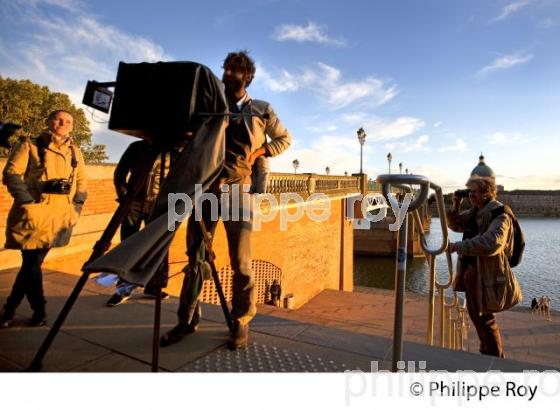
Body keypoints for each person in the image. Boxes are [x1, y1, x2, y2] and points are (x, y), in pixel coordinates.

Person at [160, 50, 291, 350]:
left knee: (241, 261)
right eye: (227, 69)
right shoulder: (210, 106)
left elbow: (285, 139)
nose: (229, 74)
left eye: (236, 70)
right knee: (195, 256)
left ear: (248, 76)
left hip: (238, 189)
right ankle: (187, 320)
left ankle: (241, 321)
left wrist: (259, 152)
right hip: (205, 187)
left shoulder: (261, 109)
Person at [0, 110, 87, 328]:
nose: (63, 123)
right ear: (49, 122)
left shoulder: (75, 151)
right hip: (34, 216)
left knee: (31, 265)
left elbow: (82, 182)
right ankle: (38, 310)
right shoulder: (29, 144)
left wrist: (76, 206)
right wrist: (28, 202)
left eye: (68, 121)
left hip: (59, 218)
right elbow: (11, 174)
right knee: (31, 264)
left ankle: (10, 311)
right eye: (59, 119)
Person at [447, 175, 514, 358]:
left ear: (486, 192)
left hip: (486, 274)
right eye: (469, 192)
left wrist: (457, 247)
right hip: (471, 272)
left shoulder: (500, 214)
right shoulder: (476, 211)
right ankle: (487, 351)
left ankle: (494, 358)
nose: (471, 196)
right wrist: (455, 206)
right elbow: (455, 225)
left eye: (474, 192)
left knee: (486, 318)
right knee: (477, 316)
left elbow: (492, 242)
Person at [105, 140, 172, 306]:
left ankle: (154, 286)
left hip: (158, 203)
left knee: (158, 246)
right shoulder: (137, 147)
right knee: (128, 245)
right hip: (133, 202)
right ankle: (123, 289)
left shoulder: (172, 150)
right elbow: (120, 173)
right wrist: (124, 196)